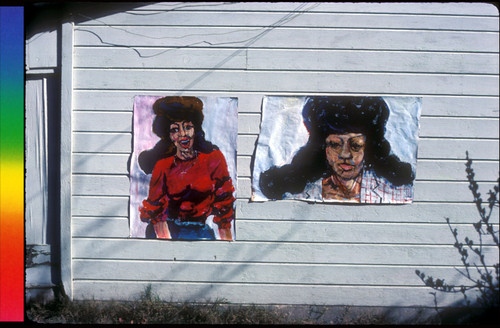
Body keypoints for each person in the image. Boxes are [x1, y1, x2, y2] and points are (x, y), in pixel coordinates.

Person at [259, 96, 415, 203]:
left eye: (355, 145)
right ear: (322, 147)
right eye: (335, 144)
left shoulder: (398, 192)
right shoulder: (299, 193)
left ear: (369, 147)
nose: (345, 154)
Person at [138, 96, 235, 240]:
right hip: (167, 231)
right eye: (175, 129)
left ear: (195, 129)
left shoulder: (213, 158)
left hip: (200, 231)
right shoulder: (163, 165)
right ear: (169, 135)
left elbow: (225, 206)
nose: (183, 134)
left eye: (188, 127)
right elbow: (156, 213)